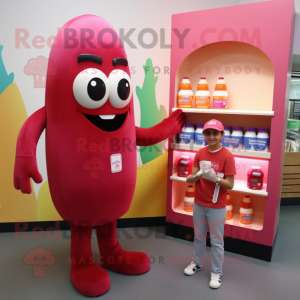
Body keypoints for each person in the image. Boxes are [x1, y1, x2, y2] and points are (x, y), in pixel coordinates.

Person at [183, 119, 236, 289]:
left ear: (222, 135)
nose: (211, 137)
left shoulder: (227, 156)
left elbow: (231, 184)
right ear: (204, 135)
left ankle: (216, 272)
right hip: (199, 203)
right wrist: (193, 177)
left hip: (217, 206)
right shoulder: (200, 154)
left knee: (217, 241)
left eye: (215, 133)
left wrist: (217, 179)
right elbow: (193, 176)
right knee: (199, 237)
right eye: (208, 133)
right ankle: (196, 263)